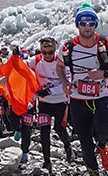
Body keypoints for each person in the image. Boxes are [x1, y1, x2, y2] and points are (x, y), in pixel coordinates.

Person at [56, 3, 108, 176]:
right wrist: (64, 82)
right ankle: (93, 171)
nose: (87, 27)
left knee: (104, 131)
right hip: (78, 98)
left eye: (91, 23)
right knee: (84, 140)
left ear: (96, 24)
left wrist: (104, 74)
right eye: (83, 23)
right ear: (77, 24)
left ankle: (102, 146)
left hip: (102, 95)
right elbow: (59, 67)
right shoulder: (68, 47)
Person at [26, 37, 73, 174]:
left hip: (60, 101)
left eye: (50, 52)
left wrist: (49, 90)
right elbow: (20, 66)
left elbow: (68, 83)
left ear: (55, 50)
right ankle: (47, 161)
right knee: (44, 132)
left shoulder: (62, 61)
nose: (47, 55)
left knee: (59, 128)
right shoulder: (36, 60)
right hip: (44, 103)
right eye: (44, 52)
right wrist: (15, 56)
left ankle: (67, 145)